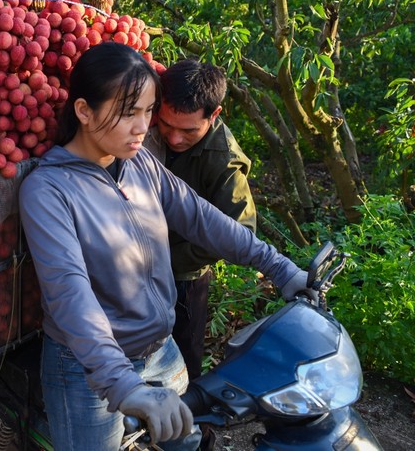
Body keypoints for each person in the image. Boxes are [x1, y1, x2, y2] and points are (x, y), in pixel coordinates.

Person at [18, 42, 314, 451]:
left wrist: (281, 268)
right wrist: (123, 385)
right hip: (88, 371)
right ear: (84, 111)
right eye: (127, 112)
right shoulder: (48, 190)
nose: (142, 127)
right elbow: (70, 293)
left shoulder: (140, 163)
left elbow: (202, 218)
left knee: (186, 444)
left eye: (146, 111)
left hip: (161, 350)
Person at [143, 58, 256, 381]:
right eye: (166, 124)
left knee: (182, 367)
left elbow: (240, 231)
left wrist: (170, 258)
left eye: (188, 130)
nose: (175, 138)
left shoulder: (222, 160)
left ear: (214, 115)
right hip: (140, 267)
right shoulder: (145, 126)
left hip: (184, 279)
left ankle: (195, 432)